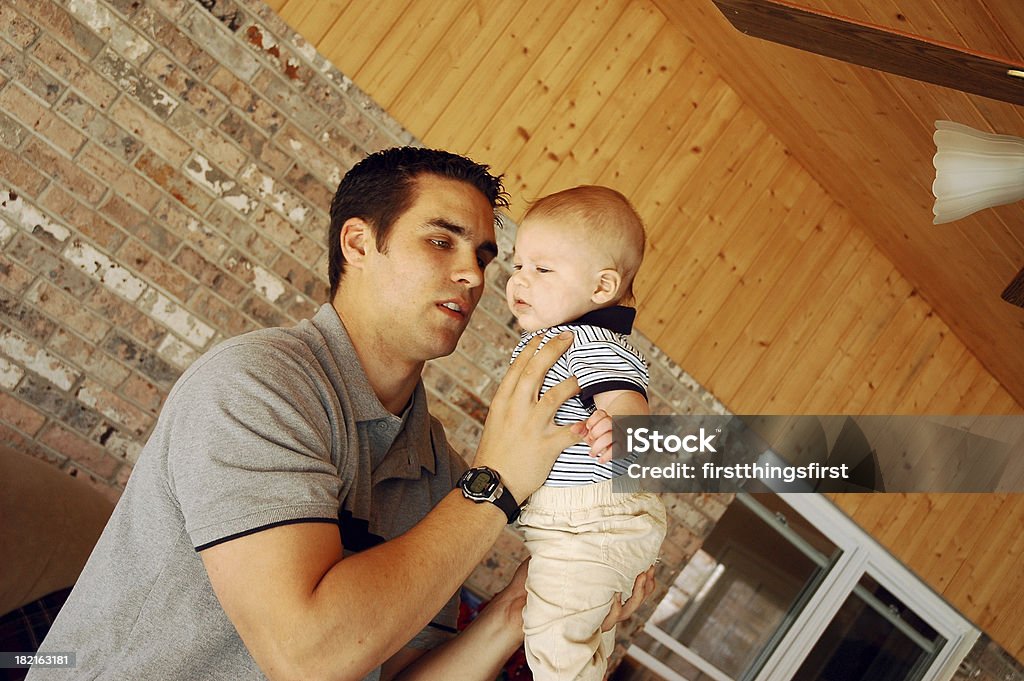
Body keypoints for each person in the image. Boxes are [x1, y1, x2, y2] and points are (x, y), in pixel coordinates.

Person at [28, 148, 653, 681]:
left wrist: (523, 606)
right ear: (358, 243)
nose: (472, 276)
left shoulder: (439, 475)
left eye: (486, 257)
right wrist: (497, 485)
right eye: (441, 241)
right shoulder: (256, 385)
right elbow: (308, 654)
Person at [506, 186, 667, 681]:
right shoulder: (565, 338)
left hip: (588, 521)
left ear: (601, 288)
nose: (519, 280)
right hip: (581, 525)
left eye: (542, 269)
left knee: (556, 654)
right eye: (517, 265)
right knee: (574, 648)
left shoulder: (586, 340)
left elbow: (625, 396)